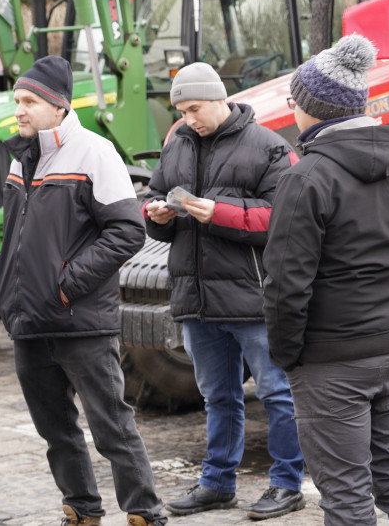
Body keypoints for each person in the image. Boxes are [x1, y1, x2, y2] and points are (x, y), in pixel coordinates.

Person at [261, 34, 389, 526]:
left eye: (294, 99)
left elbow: (285, 284)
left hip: (331, 357)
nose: (291, 108)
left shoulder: (307, 178)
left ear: (315, 109)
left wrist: (287, 355)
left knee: (345, 494)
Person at [0, 56, 167, 526]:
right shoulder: (19, 156)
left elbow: (127, 231)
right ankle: (82, 509)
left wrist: (66, 286)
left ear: (58, 106)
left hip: (79, 322)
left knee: (112, 427)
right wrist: (2, 285)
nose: (19, 111)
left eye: (28, 102)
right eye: (17, 101)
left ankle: (145, 513)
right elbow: (14, 235)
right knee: (56, 431)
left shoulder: (95, 152)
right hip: (28, 322)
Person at [144, 62, 305, 520]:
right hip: (196, 301)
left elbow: (282, 219)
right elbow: (156, 198)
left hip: (252, 300)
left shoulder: (270, 147)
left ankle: (287, 483)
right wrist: (156, 216)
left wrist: (217, 211)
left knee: (277, 394)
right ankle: (217, 484)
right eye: (181, 110)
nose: (188, 118)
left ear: (219, 99)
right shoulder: (176, 143)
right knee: (218, 397)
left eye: (194, 108)